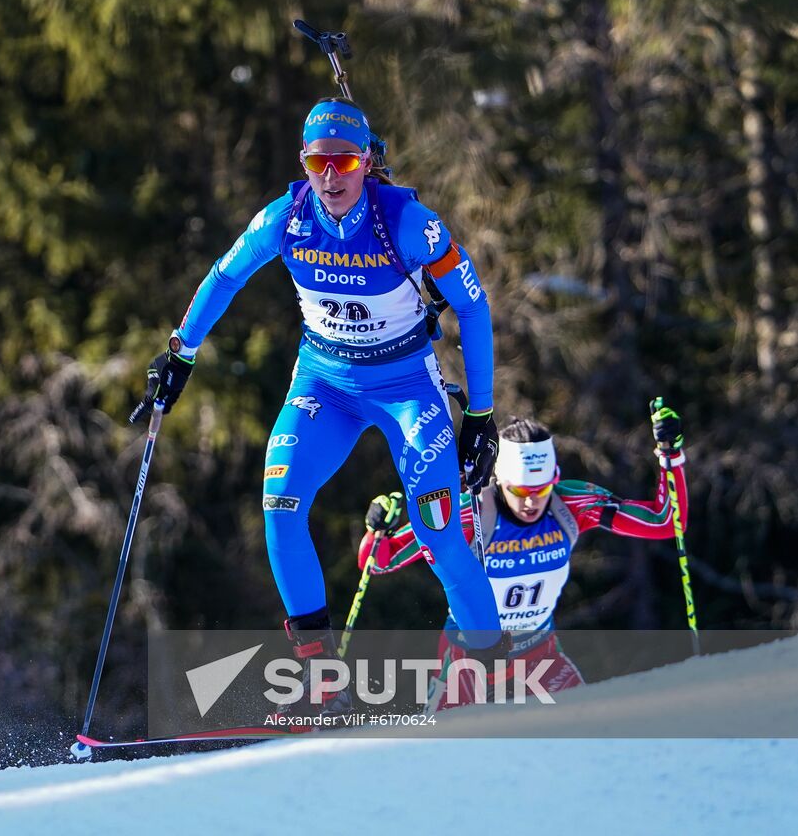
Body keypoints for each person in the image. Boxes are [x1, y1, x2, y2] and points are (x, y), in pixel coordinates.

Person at [131, 96, 505, 724]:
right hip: (325, 384)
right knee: (279, 504)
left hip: (408, 388)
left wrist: (481, 415)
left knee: (437, 530)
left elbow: (474, 308)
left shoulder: (408, 224)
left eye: (345, 160)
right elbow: (224, 276)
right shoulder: (286, 218)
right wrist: (181, 353)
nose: (331, 176)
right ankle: (322, 684)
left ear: (368, 164)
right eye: (317, 161)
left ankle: (495, 674)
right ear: (304, 164)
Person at [357, 402, 689, 709]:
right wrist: (378, 528)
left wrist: (670, 457)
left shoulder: (568, 506)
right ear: (500, 480)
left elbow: (665, 522)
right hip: (470, 659)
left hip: (539, 653)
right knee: (453, 754)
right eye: (519, 491)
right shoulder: (472, 513)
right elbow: (378, 561)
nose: (531, 503)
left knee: (588, 733)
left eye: (541, 490)